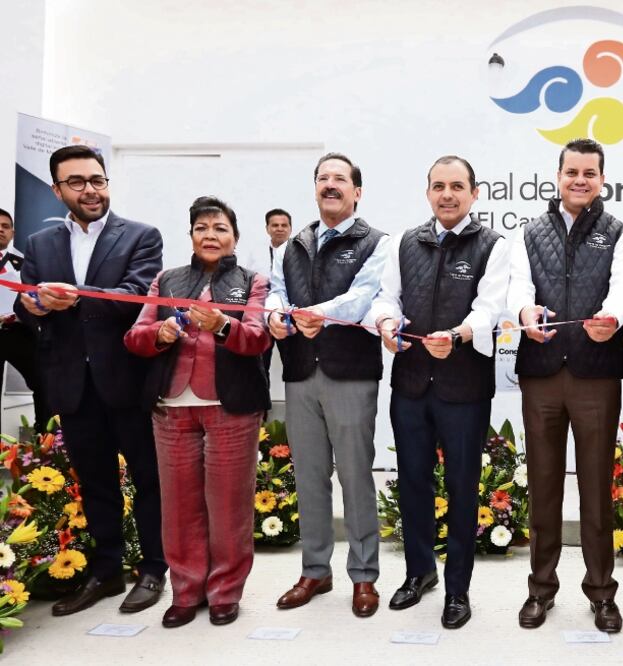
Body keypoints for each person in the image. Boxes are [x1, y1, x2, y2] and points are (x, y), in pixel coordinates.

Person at [15, 145, 166, 615]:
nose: (91, 190)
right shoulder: (39, 245)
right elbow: (25, 304)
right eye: (77, 182)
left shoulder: (141, 235)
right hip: (71, 383)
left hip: (126, 379)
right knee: (96, 481)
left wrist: (73, 298)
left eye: (97, 180)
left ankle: (154, 568)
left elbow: (137, 295)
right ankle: (105, 570)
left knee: (148, 480)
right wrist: (38, 305)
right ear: (58, 190)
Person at [508, 138, 623, 633]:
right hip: (541, 373)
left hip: (595, 373)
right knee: (542, 487)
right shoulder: (529, 232)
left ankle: (602, 592)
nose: (580, 180)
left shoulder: (619, 232)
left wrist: (611, 315)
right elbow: (518, 286)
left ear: (602, 180)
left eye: (590, 173)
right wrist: (524, 311)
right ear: (558, 175)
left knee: (595, 491)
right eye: (572, 172)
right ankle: (540, 590)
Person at [370, 155, 509, 629]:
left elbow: (490, 307)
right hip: (410, 382)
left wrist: (461, 334)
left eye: (456, 186)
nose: (447, 194)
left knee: (463, 487)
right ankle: (419, 573)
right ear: (427, 192)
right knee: (411, 481)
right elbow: (387, 297)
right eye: (438, 186)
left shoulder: (493, 245)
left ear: (474, 193)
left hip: (463, 385)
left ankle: (457, 589)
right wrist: (386, 322)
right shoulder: (405, 242)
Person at [124, 196, 271, 628]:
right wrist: (162, 333)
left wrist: (222, 326)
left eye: (220, 228)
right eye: (202, 228)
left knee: (229, 506)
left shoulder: (253, 281)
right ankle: (186, 592)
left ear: (235, 238)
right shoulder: (166, 279)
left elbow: (258, 339)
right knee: (179, 505)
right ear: (190, 235)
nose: (211, 235)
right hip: (171, 407)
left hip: (231, 406)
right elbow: (136, 337)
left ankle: (225, 592)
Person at [266, 152, 388, 617]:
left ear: (357, 192)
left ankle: (364, 575)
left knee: (355, 475)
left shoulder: (377, 242)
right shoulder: (291, 244)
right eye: (323, 178)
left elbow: (363, 298)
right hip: (299, 372)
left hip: (350, 373)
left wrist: (320, 315)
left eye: (340, 179)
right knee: (309, 476)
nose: (330, 185)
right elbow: (277, 289)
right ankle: (315, 569)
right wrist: (277, 315)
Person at [0, 207, 50, 432]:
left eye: (5, 227)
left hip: (19, 333)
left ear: (12, 233)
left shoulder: (24, 265)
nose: (1, 230)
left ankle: (47, 445)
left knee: (44, 383)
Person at [243, 208, 293, 389]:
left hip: (289, 317)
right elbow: (249, 283)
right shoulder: (256, 253)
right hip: (261, 317)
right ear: (267, 228)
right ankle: (261, 414)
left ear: (290, 228)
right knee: (260, 365)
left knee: (293, 365)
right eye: (275, 225)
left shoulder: (299, 254)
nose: (279, 229)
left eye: (284, 225)